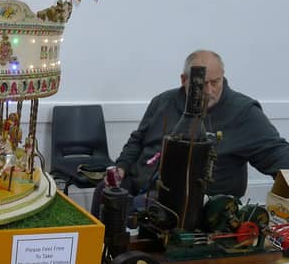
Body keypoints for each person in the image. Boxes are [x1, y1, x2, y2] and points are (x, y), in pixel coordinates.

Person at [91, 50, 289, 217]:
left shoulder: (243, 112)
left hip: (198, 205)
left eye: (216, 82)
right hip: (143, 187)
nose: (209, 91)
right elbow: (138, 140)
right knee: (104, 192)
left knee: (135, 208)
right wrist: (122, 167)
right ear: (184, 80)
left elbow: (276, 153)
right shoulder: (162, 102)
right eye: (202, 84)